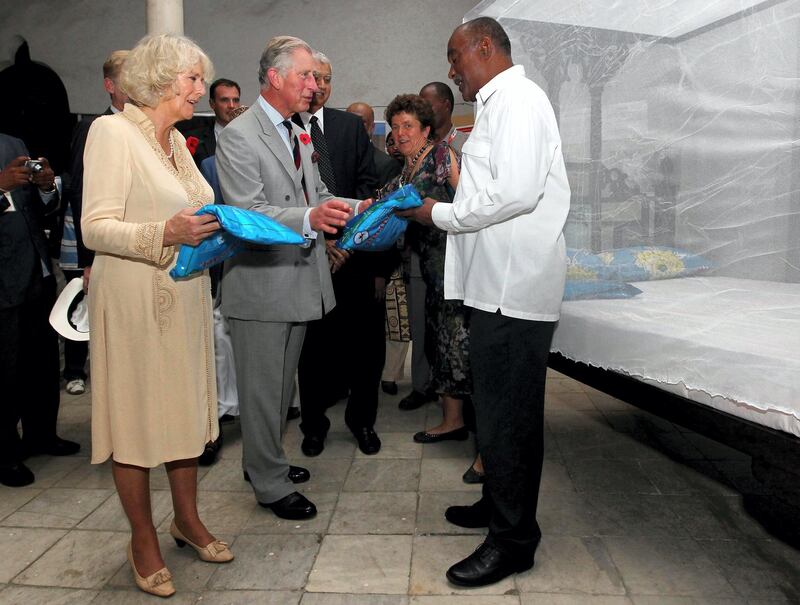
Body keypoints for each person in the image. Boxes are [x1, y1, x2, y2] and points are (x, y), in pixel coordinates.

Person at [399, 17, 570, 587]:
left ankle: (514, 541)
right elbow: (491, 187)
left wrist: (437, 214)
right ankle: (499, 508)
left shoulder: (519, 100)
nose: (451, 69)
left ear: (485, 47)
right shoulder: (497, 105)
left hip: (515, 291)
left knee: (511, 419)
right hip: (492, 287)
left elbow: (517, 192)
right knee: (494, 412)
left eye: (455, 56)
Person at [81, 34, 234, 598]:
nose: (201, 89)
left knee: (183, 415)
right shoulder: (112, 131)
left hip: (184, 293)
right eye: (192, 79)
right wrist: (164, 233)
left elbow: (190, 211)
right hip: (134, 302)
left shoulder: (179, 144)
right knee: (137, 421)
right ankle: (141, 537)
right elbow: (96, 226)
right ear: (160, 79)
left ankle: (186, 520)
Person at [215, 36, 365, 520]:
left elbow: (318, 191)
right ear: (275, 78)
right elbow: (246, 212)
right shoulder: (240, 134)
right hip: (261, 286)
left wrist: (361, 207)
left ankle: (265, 461)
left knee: (280, 389)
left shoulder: (298, 129)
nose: (314, 85)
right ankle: (269, 484)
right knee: (262, 392)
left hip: (297, 281)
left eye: (318, 77)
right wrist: (309, 219)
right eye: (305, 75)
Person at [293, 51, 384, 457]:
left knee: (364, 347)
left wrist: (344, 243)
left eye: (326, 78)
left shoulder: (349, 127)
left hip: (354, 260)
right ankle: (313, 426)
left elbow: (368, 191)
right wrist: (322, 240)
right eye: (314, 77)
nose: (321, 85)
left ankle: (362, 422)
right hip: (305, 257)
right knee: (313, 350)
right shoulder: (285, 128)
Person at [382, 94, 472, 446]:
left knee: (456, 343)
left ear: (426, 129)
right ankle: (453, 420)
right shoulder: (405, 169)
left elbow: (470, 200)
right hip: (430, 269)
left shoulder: (440, 155)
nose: (401, 133)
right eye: (395, 126)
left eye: (408, 126)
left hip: (454, 265)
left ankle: (463, 423)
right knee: (440, 341)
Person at [0, 136, 79, 488]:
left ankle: (41, 434)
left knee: (41, 361)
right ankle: (5, 453)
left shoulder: (13, 143)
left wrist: (47, 187)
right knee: (6, 368)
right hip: (3, 277)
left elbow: (43, 208)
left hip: (36, 270)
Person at [57, 49, 129, 397]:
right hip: (97, 247)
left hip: (124, 246)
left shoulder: (137, 127)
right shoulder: (95, 127)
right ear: (109, 85)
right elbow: (82, 191)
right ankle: (75, 371)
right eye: (128, 78)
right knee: (88, 316)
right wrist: (89, 259)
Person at [346, 101, 407, 397]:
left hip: (372, 267)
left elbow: (388, 225)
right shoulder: (331, 161)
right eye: (351, 121)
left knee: (372, 336)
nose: (356, 128)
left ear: (371, 127)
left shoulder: (386, 165)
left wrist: (381, 272)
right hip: (336, 262)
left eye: (362, 122)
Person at [179, 78, 241, 167]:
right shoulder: (191, 139)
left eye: (235, 100)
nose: (231, 106)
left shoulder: (252, 137)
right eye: (224, 100)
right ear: (212, 104)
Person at [419, 81, 469, 152]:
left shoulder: (466, 144)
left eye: (428, 106)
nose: (422, 111)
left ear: (447, 106)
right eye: (420, 107)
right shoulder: (418, 146)